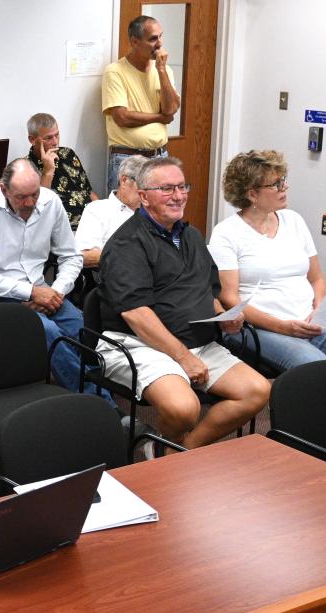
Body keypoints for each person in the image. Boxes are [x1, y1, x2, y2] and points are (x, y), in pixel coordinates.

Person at [97, 157, 269, 451]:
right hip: (139, 344)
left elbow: (207, 291)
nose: (178, 196)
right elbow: (136, 314)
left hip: (196, 340)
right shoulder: (127, 244)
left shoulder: (190, 235)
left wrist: (224, 316)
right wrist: (183, 357)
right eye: (166, 189)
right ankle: (173, 449)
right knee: (184, 408)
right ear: (143, 197)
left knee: (256, 391)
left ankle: (173, 448)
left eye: (181, 187)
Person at [209, 150, 326, 371]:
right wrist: (284, 327)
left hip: (310, 322)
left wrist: (319, 310)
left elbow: (316, 279)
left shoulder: (294, 220)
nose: (284, 187)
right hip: (260, 329)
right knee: (317, 367)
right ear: (252, 194)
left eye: (283, 180)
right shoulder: (226, 233)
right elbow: (230, 299)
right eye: (276, 184)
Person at [0, 158, 95, 396]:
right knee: (48, 332)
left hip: (44, 291)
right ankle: (99, 402)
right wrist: (30, 292)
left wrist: (57, 292)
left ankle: (96, 394)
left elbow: (71, 257)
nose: (30, 202)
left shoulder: (50, 202)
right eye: (21, 197)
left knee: (82, 328)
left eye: (34, 194)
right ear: (4, 190)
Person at [101, 15, 180, 193]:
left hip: (160, 156)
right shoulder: (115, 72)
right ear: (135, 42)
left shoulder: (164, 70)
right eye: (153, 39)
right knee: (125, 216)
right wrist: (160, 117)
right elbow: (122, 117)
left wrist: (161, 71)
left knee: (159, 213)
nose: (159, 44)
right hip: (127, 158)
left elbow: (171, 109)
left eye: (161, 36)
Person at [26, 113, 99, 229]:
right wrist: (48, 171)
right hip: (64, 228)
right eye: (49, 138)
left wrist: (102, 214)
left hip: (91, 221)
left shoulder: (68, 154)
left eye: (57, 135)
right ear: (32, 140)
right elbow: (38, 208)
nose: (55, 142)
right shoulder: (25, 167)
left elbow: (89, 192)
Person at [74, 155, 147, 268]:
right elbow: (84, 256)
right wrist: (128, 256)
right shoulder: (99, 209)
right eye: (143, 185)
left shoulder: (153, 211)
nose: (146, 192)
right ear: (124, 181)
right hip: (122, 277)